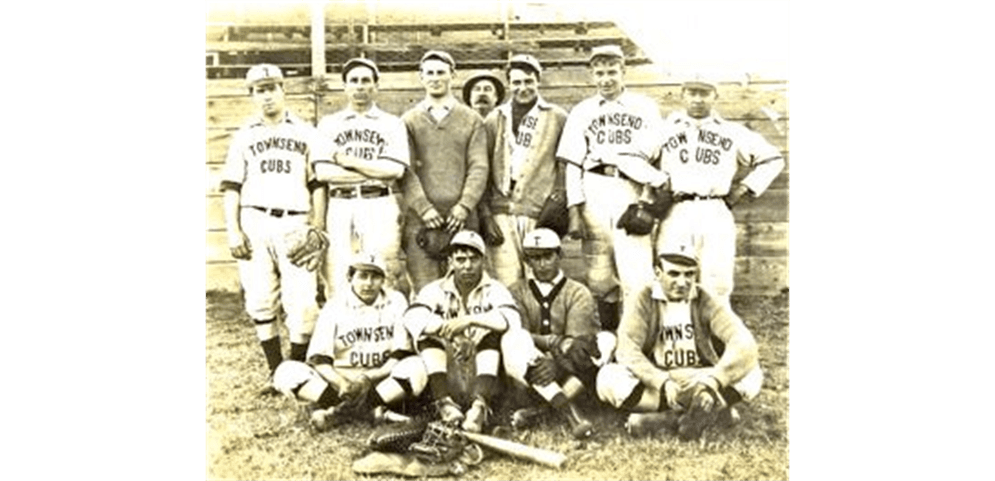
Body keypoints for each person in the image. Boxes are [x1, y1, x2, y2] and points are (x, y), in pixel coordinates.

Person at [219, 64, 328, 393]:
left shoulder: (305, 131)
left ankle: (294, 367)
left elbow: (318, 184)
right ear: (251, 95)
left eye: (271, 88)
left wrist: (318, 227)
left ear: (284, 89)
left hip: (295, 220)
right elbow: (231, 187)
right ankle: (275, 371)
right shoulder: (244, 135)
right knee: (260, 298)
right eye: (259, 90)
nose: (266, 95)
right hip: (255, 220)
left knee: (304, 301)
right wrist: (233, 231)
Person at [595, 237, 763, 441]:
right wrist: (661, 381)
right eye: (674, 274)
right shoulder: (643, 298)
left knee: (752, 373)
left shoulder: (704, 298)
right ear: (658, 273)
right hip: (658, 382)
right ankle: (710, 413)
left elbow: (743, 341)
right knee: (608, 377)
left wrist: (713, 381)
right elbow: (628, 350)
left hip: (698, 379)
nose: (682, 282)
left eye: (689, 274)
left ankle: (665, 420)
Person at [638, 74, 785, 306]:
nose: (698, 99)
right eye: (692, 93)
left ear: (715, 96)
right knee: (673, 276)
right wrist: (657, 178)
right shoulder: (664, 130)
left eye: (704, 93)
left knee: (717, 280)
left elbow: (774, 159)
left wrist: (744, 188)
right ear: (682, 95)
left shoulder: (732, 132)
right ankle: (676, 338)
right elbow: (630, 157)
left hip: (715, 209)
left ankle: (715, 339)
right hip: (677, 209)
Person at [555, 45, 667, 331]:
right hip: (594, 188)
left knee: (637, 273)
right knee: (599, 275)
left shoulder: (645, 107)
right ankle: (609, 336)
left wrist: (646, 197)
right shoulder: (582, 111)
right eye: (600, 73)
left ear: (623, 71)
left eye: (612, 72)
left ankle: (637, 337)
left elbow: (657, 155)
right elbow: (572, 163)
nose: (606, 79)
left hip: (630, 188)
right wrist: (574, 211)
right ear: (592, 75)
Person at [271, 253, 427, 430]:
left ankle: (338, 413)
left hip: (381, 381)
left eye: (375, 277)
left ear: (383, 279)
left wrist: (370, 376)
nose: (368, 283)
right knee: (285, 372)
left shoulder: (396, 301)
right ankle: (370, 410)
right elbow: (319, 360)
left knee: (417, 366)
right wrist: (341, 383)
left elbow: (401, 353)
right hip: (341, 384)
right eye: (362, 276)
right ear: (350, 277)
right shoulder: (335, 305)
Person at [500, 228, 615, 439]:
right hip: (531, 371)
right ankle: (567, 414)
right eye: (535, 258)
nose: (542, 264)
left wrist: (555, 362)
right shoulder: (516, 291)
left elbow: (577, 343)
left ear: (559, 255)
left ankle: (542, 413)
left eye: (547, 256)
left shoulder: (577, 291)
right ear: (527, 261)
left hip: (569, 373)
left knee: (604, 342)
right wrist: (550, 347)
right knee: (513, 339)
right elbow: (520, 334)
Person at [403, 231, 521, 433]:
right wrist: (451, 332)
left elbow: (512, 320)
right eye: (460, 259)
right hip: (446, 371)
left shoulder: (495, 289)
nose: (467, 266)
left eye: (473, 259)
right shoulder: (435, 289)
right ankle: (444, 404)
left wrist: (469, 321)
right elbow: (412, 318)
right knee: (426, 333)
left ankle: (479, 408)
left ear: (483, 260)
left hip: (485, 373)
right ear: (450, 261)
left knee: (493, 332)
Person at [314, 58, 411, 301]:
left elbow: (395, 170)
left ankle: (384, 332)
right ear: (345, 86)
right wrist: (372, 170)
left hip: (378, 203)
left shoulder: (391, 123)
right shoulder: (329, 124)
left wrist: (349, 161)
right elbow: (324, 172)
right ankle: (342, 332)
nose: (360, 86)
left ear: (376, 86)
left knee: (384, 270)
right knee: (337, 271)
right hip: (340, 204)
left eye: (366, 80)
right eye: (353, 81)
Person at [401, 50, 490, 292]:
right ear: (421, 77)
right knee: (424, 289)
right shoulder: (409, 120)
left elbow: (479, 166)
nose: (435, 78)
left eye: (441, 72)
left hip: (461, 218)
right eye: (429, 73)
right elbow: (406, 170)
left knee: (466, 285)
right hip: (421, 221)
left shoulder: (471, 119)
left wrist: (464, 205)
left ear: (453, 75)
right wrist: (424, 208)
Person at [478, 54, 569, 287]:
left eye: (528, 81)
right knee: (506, 281)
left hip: (538, 211)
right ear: (509, 84)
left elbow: (566, 161)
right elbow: (482, 169)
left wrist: (558, 195)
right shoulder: (495, 118)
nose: (523, 88)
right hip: (500, 212)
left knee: (539, 280)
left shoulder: (556, 116)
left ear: (538, 81)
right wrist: (487, 215)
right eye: (517, 82)